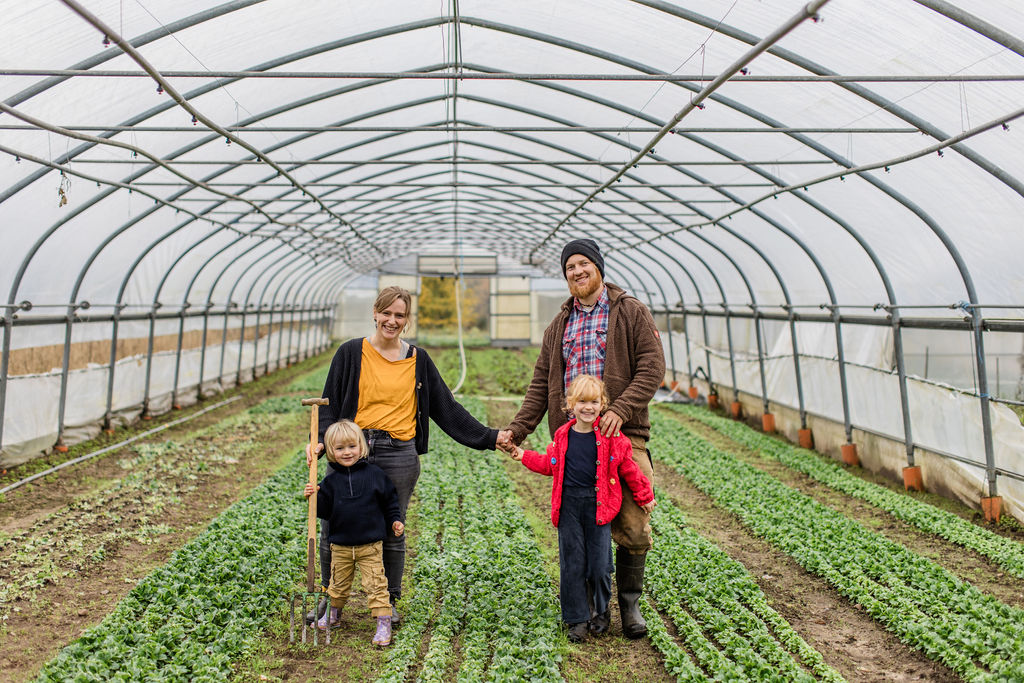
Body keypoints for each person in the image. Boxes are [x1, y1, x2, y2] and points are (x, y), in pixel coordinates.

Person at [306, 286, 513, 626]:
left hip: (398, 453)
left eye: (399, 315)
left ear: (407, 320)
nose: (391, 320)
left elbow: (447, 409)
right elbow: (328, 405)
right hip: (350, 451)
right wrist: (318, 440)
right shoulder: (350, 353)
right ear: (375, 312)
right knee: (333, 525)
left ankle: (387, 601)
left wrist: (490, 437)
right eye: (386, 313)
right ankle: (332, 601)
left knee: (393, 526)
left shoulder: (418, 360)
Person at [505, 238, 666, 639]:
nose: (576, 272)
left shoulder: (630, 312)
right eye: (569, 268)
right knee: (579, 528)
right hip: (574, 441)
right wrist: (518, 429)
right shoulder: (559, 324)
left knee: (632, 526)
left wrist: (620, 410)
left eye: (583, 264)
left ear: (598, 267)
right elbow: (541, 385)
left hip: (621, 435)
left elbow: (652, 367)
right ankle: (592, 608)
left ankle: (628, 606)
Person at [511, 374, 655, 643]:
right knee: (572, 564)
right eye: (582, 402)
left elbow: (629, 469)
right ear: (570, 405)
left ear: (603, 404)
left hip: (599, 506)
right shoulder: (562, 436)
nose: (588, 407)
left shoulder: (612, 437)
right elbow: (550, 465)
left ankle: (600, 612)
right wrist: (524, 456)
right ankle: (576, 619)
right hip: (569, 508)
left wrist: (644, 495)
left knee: (600, 566)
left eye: (594, 402)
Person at [304, 420, 403, 646]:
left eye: (351, 447)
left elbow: (390, 501)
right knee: (337, 584)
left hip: (370, 545)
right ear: (330, 451)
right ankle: (334, 615)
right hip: (340, 546)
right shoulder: (330, 481)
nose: (347, 453)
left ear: (361, 446)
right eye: (339, 449)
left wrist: (395, 520)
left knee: (376, 584)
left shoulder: (375, 475)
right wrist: (313, 497)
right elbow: (324, 512)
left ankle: (383, 622)